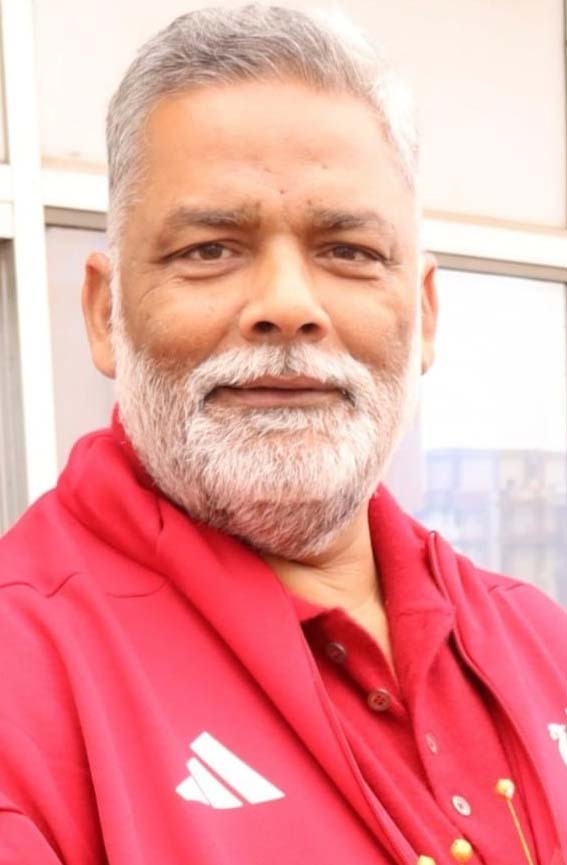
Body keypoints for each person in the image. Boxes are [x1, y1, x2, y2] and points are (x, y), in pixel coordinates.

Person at [0, 5, 565, 865]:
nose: (288, 306)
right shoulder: (23, 676)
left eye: (348, 251)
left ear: (423, 314)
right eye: (209, 248)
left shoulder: (539, 642)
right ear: (104, 313)